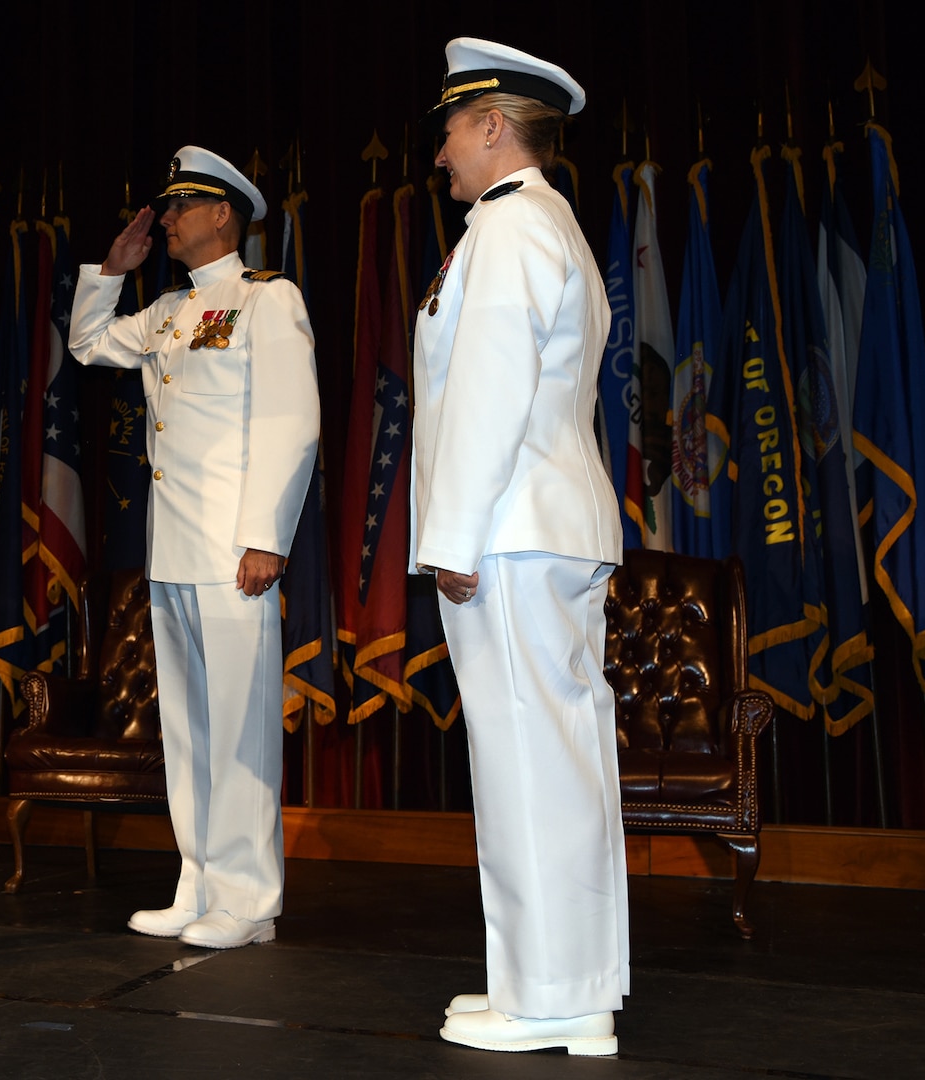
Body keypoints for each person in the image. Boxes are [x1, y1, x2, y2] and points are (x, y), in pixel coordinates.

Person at [408, 39, 629, 1054]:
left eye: (452, 129)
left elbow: (489, 398)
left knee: (533, 765)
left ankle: (558, 998)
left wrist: (450, 536)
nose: (441, 152)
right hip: (539, 525)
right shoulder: (540, 224)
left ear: (492, 124)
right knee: (540, 761)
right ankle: (546, 984)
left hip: (512, 528)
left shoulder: (508, 229)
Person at [68, 146, 319, 949]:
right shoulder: (170, 311)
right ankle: (199, 880)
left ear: (224, 215)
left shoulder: (265, 302)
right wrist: (110, 270)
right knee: (188, 725)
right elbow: (87, 345)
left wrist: (264, 539)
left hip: (234, 547)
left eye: (181, 207)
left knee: (241, 724)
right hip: (173, 548)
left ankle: (248, 900)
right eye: (165, 207)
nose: (166, 219)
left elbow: (290, 423)